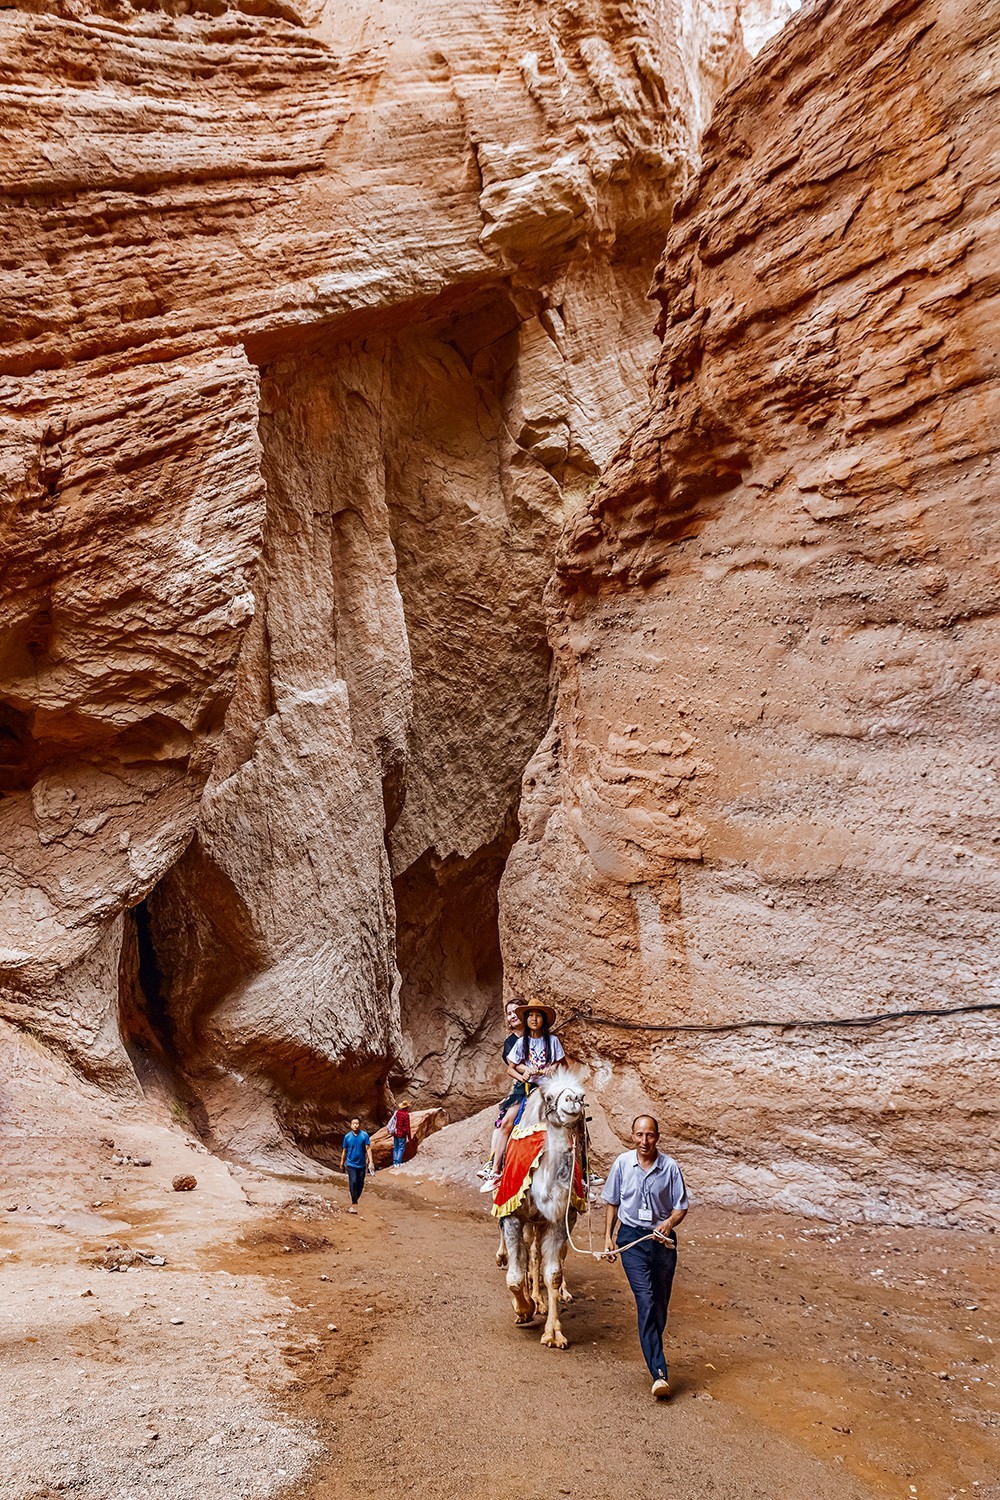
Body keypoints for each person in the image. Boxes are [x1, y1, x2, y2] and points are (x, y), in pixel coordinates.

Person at [602, 1115, 688, 1400]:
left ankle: (652, 1342)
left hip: (662, 1242)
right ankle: (659, 1373)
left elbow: (681, 1206)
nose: (644, 1141)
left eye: (649, 1135)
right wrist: (608, 1237)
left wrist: (670, 1224)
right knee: (646, 1299)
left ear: (657, 1137)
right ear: (632, 1136)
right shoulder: (622, 1165)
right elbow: (613, 1201)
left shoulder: (670, 1167)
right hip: (631, 1239)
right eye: (639, 1135)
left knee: (660, 1305)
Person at [480, 1001, 566, 1192]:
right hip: (527, 1089)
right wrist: (523, 1075)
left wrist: (553, 1068)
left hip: (550, 1089)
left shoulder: (552, 1041)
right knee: (507, 1122)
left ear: (543, 1020)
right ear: (526, 1020)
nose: (534, 1019)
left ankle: (584, 1173)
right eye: (530, 1016)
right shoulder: (519, 1043)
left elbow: (563, 1064)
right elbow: (511, 1069)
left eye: (538, 1016)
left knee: (574, 1118)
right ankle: (495, 1171)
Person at [339, 1117, 374, 1212]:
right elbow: (344, 1150)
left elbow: (368, 1148)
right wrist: (342, 1162)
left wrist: (371, 1161)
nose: (355, 1125)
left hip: (362, 1164)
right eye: (353, 1123)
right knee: (353, 1182)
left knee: (360, 1183)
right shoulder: (347, 1137)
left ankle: (356, 1197)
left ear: (360, 1125)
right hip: (350, 1163)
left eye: (357, 1124)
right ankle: (354, 1201)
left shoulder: (364, 1135)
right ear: (350, 1125)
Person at [388, 1099, 412, 1166]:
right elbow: (407, 1126)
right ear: (406, 1107)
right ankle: (398, 1163)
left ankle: (394, 1162)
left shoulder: (397, 1112)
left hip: (395, 1132)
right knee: (401, 1148)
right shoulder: (406, 1115)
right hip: (402, 1134)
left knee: (396, 1147)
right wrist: (409, 1136)